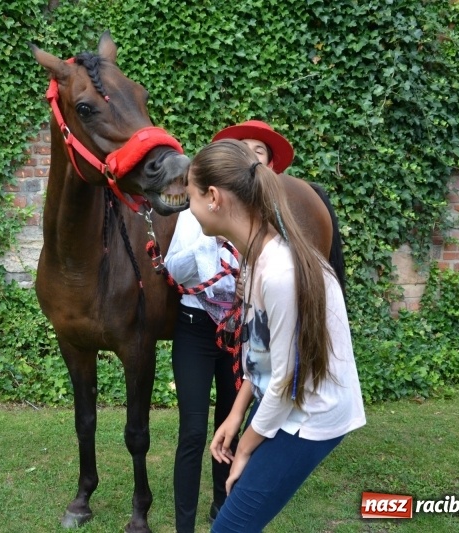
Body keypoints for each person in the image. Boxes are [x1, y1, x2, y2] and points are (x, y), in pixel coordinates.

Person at [185, 138, 366, 532]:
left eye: (190, 196)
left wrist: (246, 448)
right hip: (285, 400)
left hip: (309, 415)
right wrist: (236, 415)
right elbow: (261, 351)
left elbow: (286, 381)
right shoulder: (256, 256)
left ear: (213, 197)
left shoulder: (280, 272)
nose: (189, 207)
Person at [164, 121, 297, 532]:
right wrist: (209, 237)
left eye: (259, 151)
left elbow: (277, 366)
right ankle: (185, 524)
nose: (251, 155)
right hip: (196, 326)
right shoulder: (199, 215)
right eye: (244, 148)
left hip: (239, 331)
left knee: (230, 421)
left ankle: (223, 507)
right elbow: (173, 270)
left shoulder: (269, 243)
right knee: (192, 431)